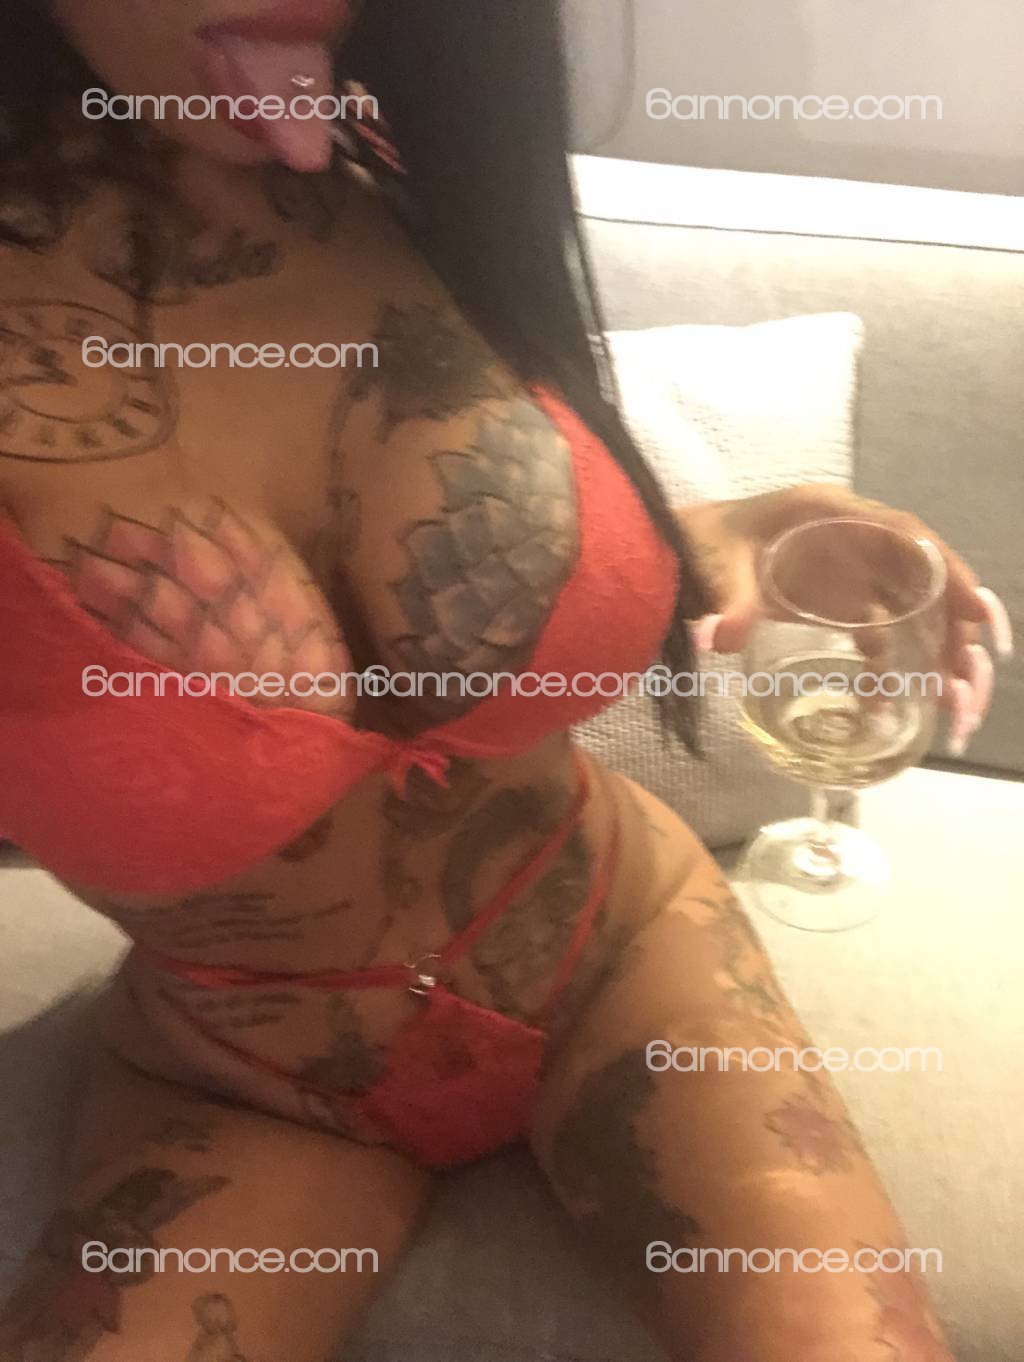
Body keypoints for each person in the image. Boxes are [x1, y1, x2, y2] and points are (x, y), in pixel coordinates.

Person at [0, 2, 1011, 1359]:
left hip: (620, 944)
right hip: (248, 1082)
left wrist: (710, 536)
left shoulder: (402, 169)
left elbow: (473, 578)